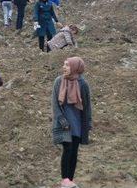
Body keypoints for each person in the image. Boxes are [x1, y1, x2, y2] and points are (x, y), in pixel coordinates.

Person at [52, 57, 92, 188]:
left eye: (67, 65)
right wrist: (62, 120)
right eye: (64, 64)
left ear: (75, 68)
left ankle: (70, 180)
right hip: (63, 122)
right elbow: (55, 104)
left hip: (77, 123)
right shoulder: (59, 81)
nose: (64, 67)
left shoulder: (83, 84)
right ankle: (65, 180)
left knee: (74, 150)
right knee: (67, 148)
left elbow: (87, 106)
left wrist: (88, 122)